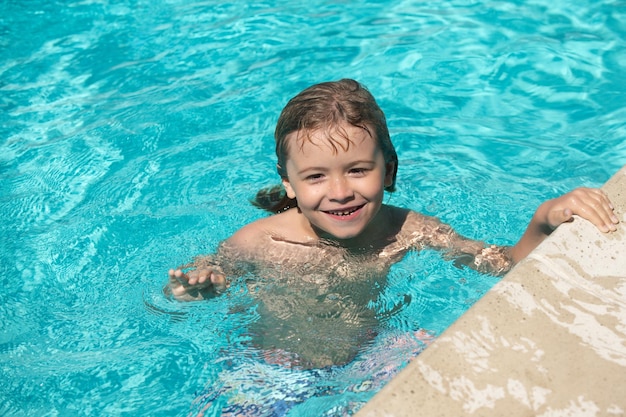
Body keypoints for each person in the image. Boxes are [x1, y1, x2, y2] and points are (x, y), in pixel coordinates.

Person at [166, 78, 619, 368]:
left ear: (390, 170)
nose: (340, 191)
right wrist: (189, 289)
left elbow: (500, 264)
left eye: (358, 170)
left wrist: (543, 219)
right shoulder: (258, 241)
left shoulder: (412, 230)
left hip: (371, 354)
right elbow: (197, 284)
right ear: (288, 184)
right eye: (316, 176)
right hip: (272, 363)